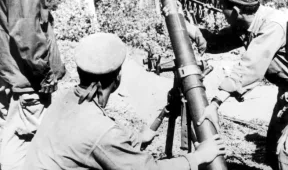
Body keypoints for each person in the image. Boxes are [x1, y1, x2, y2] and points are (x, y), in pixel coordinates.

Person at [23, 33, 226, 170]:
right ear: (117, 79)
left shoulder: (67, 100)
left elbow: (138, 138)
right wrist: (198, 157)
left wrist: (164, 112)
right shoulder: (100, 131)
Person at [183, 0, 288, 170]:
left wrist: (216, 102)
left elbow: (250, 67)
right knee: (272, 149)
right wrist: (185, 26)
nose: (220, 10)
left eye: (222, 6)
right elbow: (217, 41)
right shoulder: (246, 24)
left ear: (236, 11)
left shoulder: (272, 25)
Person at [0, 0, 65, 170]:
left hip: (6, 71)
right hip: (24, 79)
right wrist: (44, 75)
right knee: (27, 150)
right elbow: (25, 32)